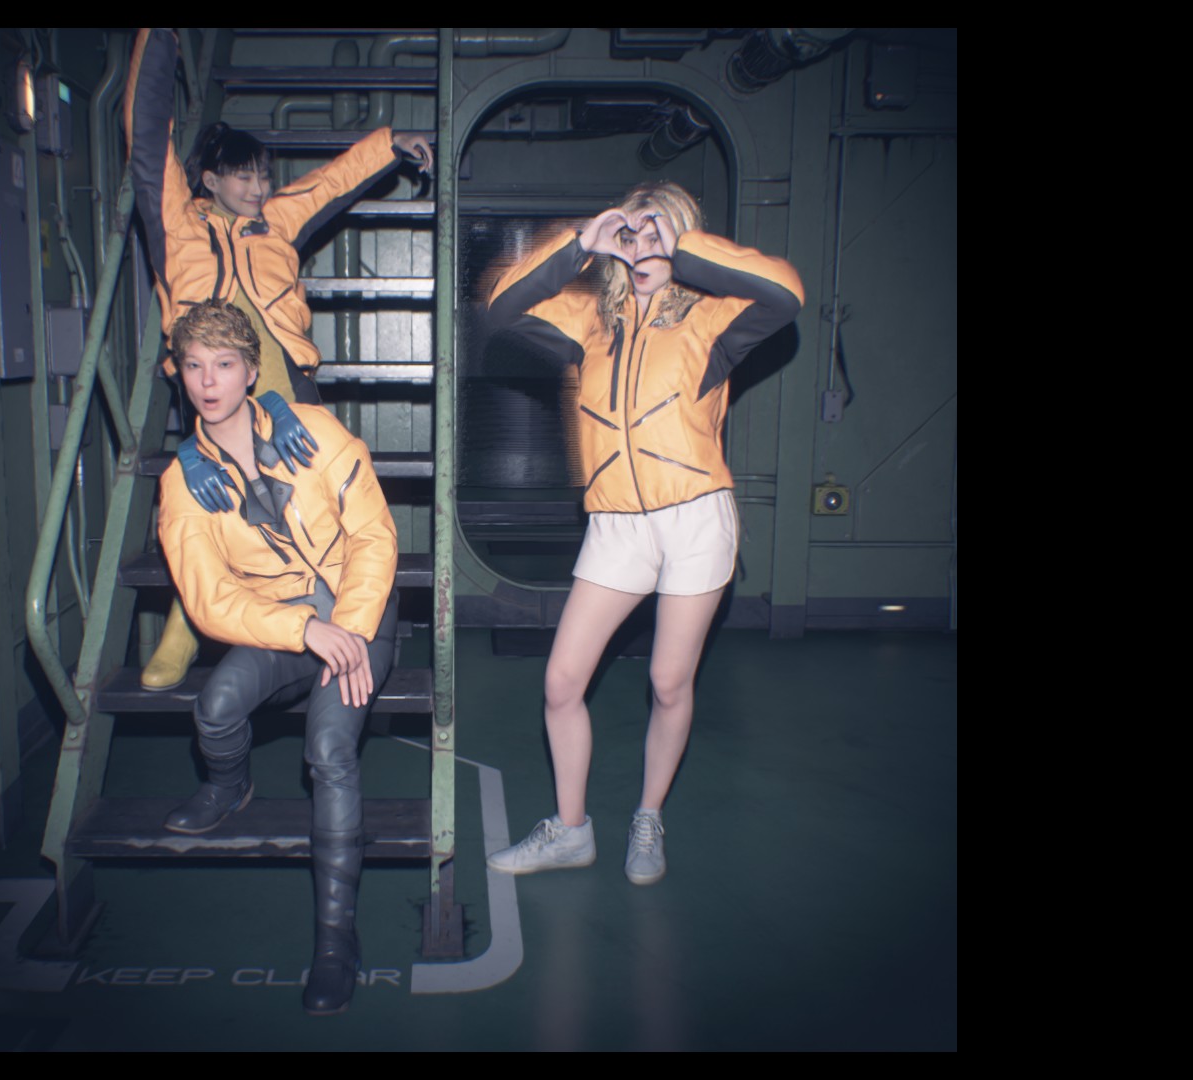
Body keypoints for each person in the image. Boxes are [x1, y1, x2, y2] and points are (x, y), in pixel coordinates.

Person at [482, 181, 805, 885]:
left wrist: (684, 250)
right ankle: (571, 831)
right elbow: (502, 307)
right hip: (616, 526)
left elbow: (786, 293)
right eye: (632, 234)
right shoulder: (591, 321)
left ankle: (648, 817)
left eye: (660, 232)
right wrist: (581, 243)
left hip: (694, 520)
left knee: (667, 682)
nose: (643, 247)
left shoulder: (712, 320)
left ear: (684, 236)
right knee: (562, 682)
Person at [125, 26, 433, 690]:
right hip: (216, 384)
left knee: (312, 509)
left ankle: (352, 620)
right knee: (214, 507)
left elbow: (328, 184)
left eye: (264, 174)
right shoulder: (179, 224)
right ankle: (190, 620)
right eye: (244, 174)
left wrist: (388, 144)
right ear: (211, 179)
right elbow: (148, 146)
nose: (259, 185)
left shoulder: (277, 222)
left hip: (289, 387)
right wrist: (159, 44)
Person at [156, 299, 399, 1015]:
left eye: (224, 364)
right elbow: (208, 601)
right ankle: (229, 785)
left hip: (360, 611)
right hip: (283, 626)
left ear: (251, 370)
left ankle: (335, 941)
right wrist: (303, 630)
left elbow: (374, 536)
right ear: (178, 373)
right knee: (216, 706)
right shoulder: (182, 483)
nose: (208, 382)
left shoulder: (315, 431)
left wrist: (348, 627)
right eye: (194, 366)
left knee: (329, 748)